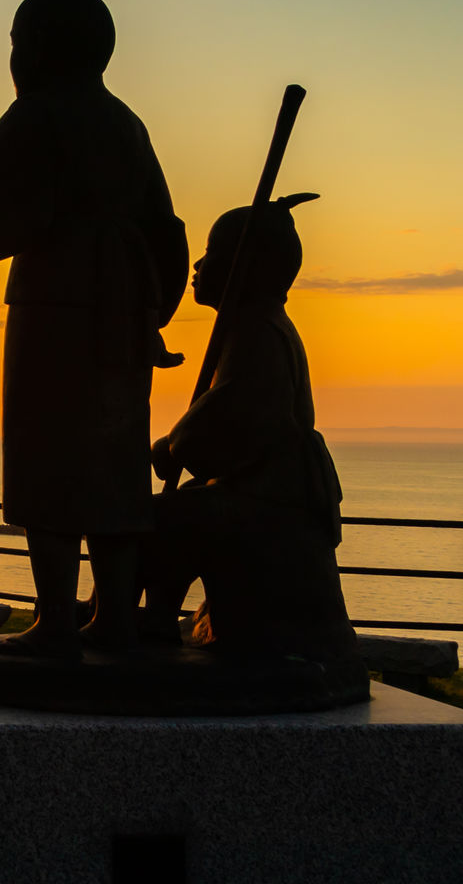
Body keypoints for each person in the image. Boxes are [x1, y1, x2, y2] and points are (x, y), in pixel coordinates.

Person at [0, 0, 186, 658]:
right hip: (122, 318)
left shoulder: (38, 113)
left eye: (17, 45)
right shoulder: (125, 124)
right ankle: (112, 617)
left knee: (46, 459)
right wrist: (154, 311)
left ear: (38, 47)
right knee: (114, 464)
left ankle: (56, 620)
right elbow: (166, 229)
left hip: (55, 306)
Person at [138, 195, 359, 666]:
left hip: (271, 500)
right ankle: (150, 621)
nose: (198, 264)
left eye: (213, 253)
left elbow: (236, 411)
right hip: (263, 488)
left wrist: (174, 446)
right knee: (167, 515)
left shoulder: (259, 331)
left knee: (162, 521)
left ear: (247, 266)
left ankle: (151, 625)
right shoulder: (251, 326)